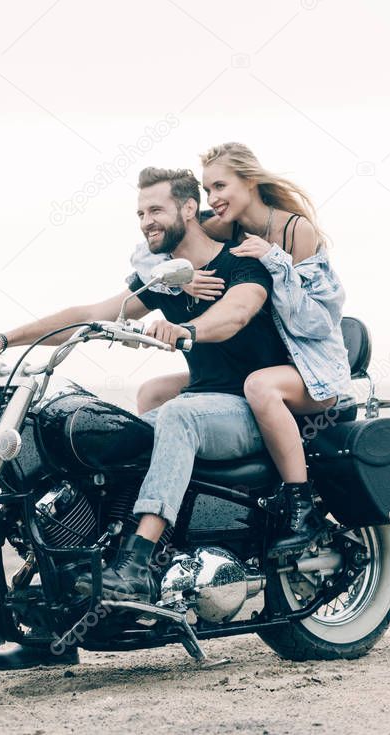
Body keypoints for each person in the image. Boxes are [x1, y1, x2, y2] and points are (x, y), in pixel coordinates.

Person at [0, 165, 289, 669]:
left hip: (250, 406)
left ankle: (138, 564)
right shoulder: (168, 276)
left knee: (176, 418)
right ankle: (55, 617)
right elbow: (94, 311)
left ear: (188, 209)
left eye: (156, 210)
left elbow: (236, 312)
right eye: (141, 213)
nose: (146, 221)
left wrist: (187, 331)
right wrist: (5, 338)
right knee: (110, 438)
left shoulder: (242, 264)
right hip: (204, 403)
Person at [135, 143, 351, 560]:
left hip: (308, 366)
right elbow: (161, 247)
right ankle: (171, 513)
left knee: (258, 385)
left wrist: (275, 263)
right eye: (207, 188)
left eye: (221, 186)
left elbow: (317, 322)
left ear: (249, 181)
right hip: (263, 362)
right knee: (157, 391)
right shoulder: (223, 226)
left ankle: (300, 507)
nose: (212, 199)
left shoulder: (295, 231)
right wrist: (182, 282)